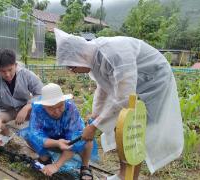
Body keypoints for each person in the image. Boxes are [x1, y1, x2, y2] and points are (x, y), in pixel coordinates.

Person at [54, 28, 184, 179]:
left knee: (135, 129)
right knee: (122, 128)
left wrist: (94, 126)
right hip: (137, 86)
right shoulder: (94, 56)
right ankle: (123, 174)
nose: (72, 72)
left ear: (80, 55)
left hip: (154, 83)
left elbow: (125, 99)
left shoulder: (114, 54)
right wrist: (95, 116)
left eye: (72, 66)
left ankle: (130, 176)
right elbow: (102, 88)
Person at [23, 83, 94, 179]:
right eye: (51, 108)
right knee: (28, 135)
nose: (56, 111)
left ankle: (85, 166)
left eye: (60, 106)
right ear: (44, 106)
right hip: (51, 138)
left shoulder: (70, 108)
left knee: (87, 138)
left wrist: (56, 166)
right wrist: (56, 143)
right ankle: (45, 158)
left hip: (68, 139)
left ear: (64, 101)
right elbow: (36, 134)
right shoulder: (38, 109)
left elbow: (75, 138)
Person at [0, 48, 43, 136]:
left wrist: (27, 107)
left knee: (44, 111)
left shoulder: (26, 74)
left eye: (10, 70)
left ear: (15, 65)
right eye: (2, 71)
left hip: (25, 107)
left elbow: (41, 93)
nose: (7, 74)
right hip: (7, 111)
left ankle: (38, 135)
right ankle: (8, 140)